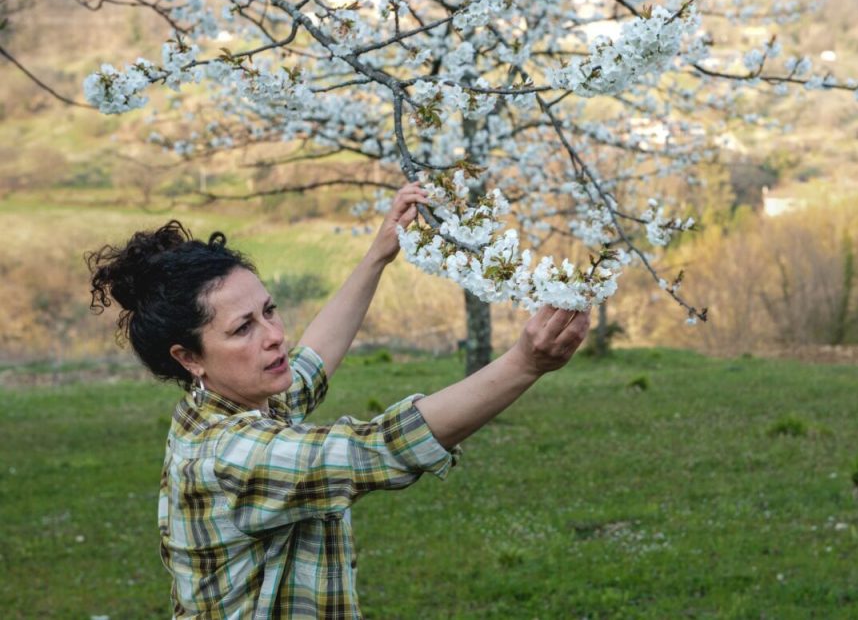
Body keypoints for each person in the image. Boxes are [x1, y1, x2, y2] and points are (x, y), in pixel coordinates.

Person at [86, 182, 590, 618]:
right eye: (243, 328)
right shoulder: (227, 454)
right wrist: (525, 364)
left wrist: (378, 254)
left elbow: (313, 362)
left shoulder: (242, 401)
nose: (274, 336)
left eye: (269, 311)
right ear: (189, 358)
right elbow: (376, 451)